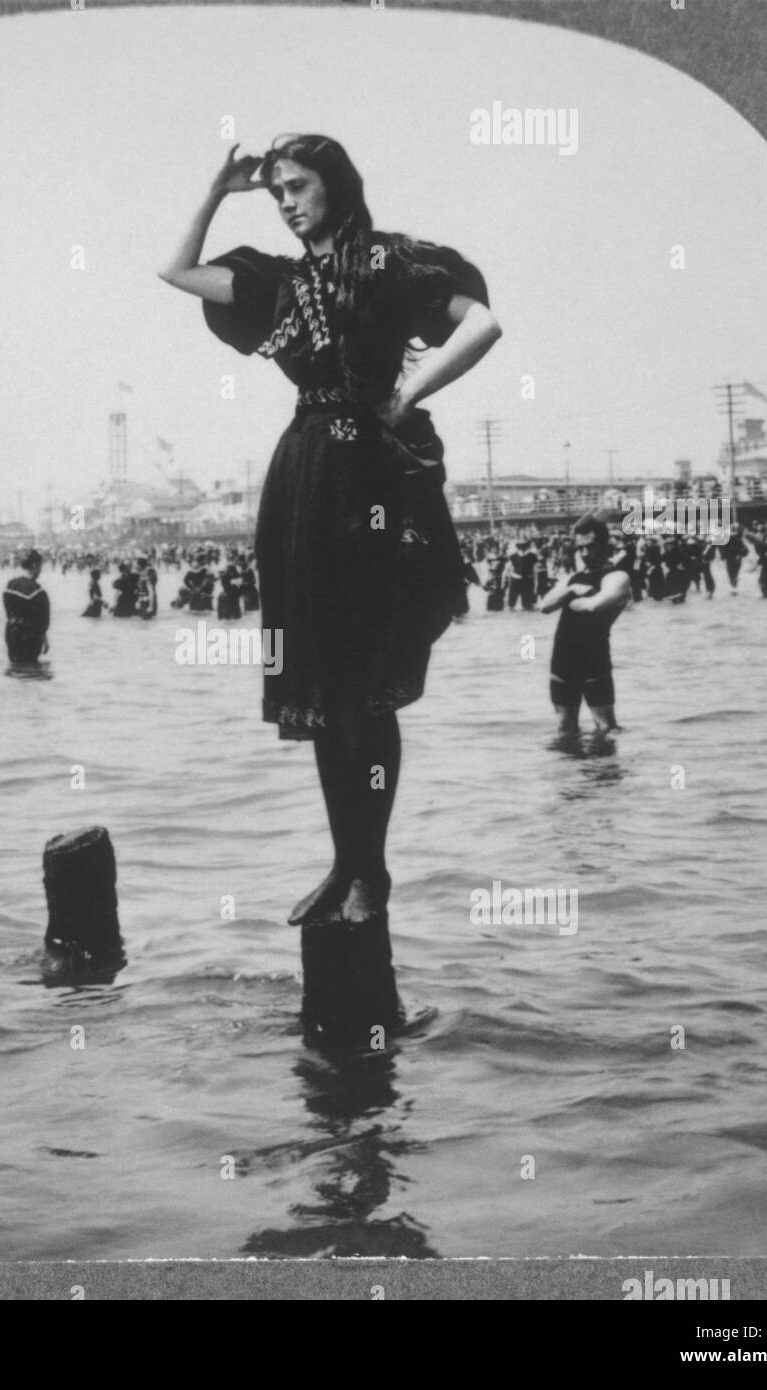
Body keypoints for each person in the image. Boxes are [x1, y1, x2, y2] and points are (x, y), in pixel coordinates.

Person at [160, 133, 501, 923]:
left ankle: (369, 877)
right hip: (306, 475)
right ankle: (346, 865)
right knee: (317, 685)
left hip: (373, 475)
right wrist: (216, 189)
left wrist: (408, 393)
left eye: (298, 185)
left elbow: (483, 323)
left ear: (336, 188)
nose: (285, 201)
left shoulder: (388, 262)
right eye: (275, 189)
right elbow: (176, 272)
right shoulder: (276, 282)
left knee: (362, 685)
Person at [540, 518, 631, 734]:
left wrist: (568, 597)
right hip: (562, 660)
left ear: (605, 545)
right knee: (565, 728)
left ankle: (605, 768)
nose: (584, 553)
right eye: (580, 548)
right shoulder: (573, 578)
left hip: (594, 659)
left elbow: (592, 607)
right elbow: (544, 606)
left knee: (605, 727)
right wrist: (571, 591)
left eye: (590, 546)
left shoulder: (617, 576)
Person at [3, 550, 50, 663]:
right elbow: (42, 621)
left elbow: (8, 612)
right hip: (29, 635)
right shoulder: (37, 591)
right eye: (40, 567)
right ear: (35, 566)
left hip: (11, 633)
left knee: (15, 667)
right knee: (31, 669)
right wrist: (44, 640)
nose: (41, 571)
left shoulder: (10, 585)